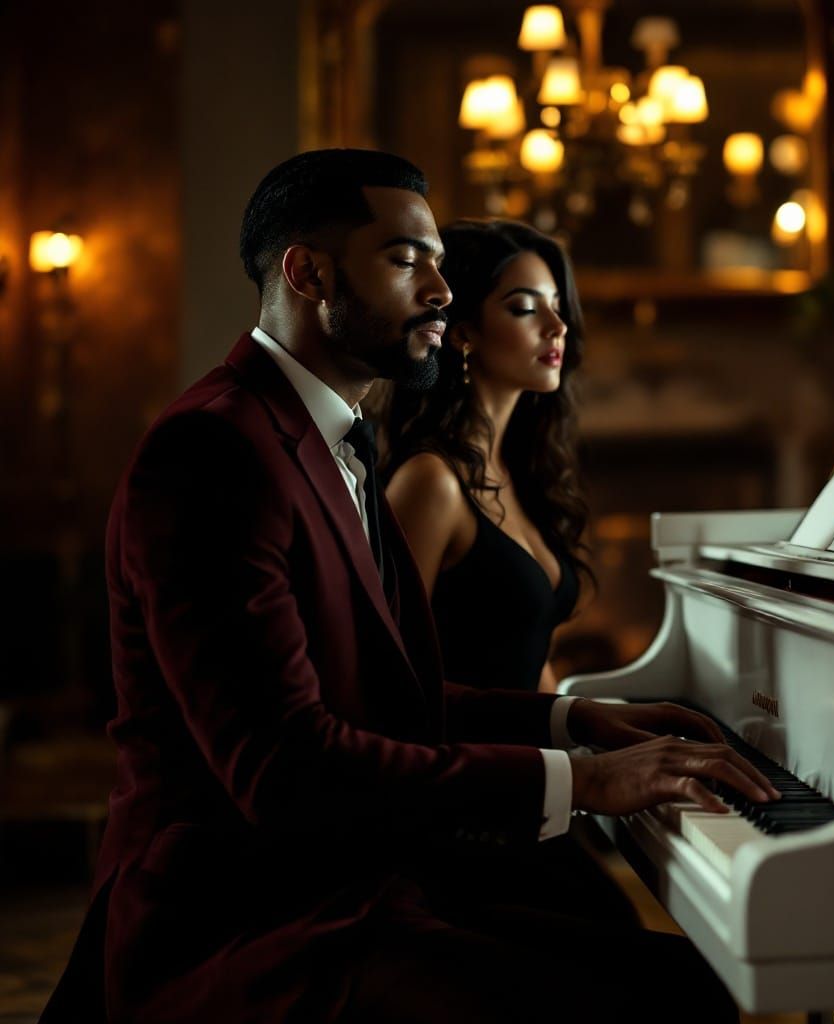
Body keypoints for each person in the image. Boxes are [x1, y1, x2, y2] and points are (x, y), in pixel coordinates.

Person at [40, 149, 777, 1024]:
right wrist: (582, 781)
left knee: (683, 980)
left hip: (346, 888)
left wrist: (571, 719)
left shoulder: (337, 440)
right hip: (239, 922)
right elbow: (287, 769)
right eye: (405, 260)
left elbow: (385, 697)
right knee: (663, 997)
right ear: (308, 272)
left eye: (438, 260)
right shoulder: (213, 451)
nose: (441, 290)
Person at [384, 219, 587, 696]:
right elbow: (396, 682)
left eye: (556, 308)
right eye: (524, 308)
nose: (557, 328)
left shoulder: (522, 469)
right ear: (462, 334)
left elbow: (530, 658)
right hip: (479, 763)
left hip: (539, 753)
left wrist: (592, 739)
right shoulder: (430, 481)